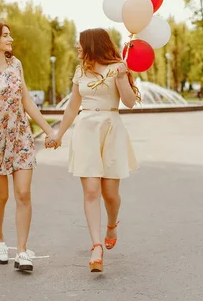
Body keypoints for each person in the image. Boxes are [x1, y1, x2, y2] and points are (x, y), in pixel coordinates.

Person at [0, 22, 57, 272]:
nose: (11, 39)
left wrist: (49, 131)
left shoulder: (16, 65)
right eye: (6, 35)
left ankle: (23, 251)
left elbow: (26, 100)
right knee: (1, 196)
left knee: (24, 194)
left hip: (20, 137)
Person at [46, 28, 139, 273]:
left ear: (92, 45)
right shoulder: (80, 72)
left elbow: (129, 102)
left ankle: (111, 224)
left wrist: (121, 79)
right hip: (86, 129)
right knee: (90, 192)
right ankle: (96, 246)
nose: (77, 47)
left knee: (110, 194)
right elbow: (71, 107)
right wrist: (59, 135)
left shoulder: (118, 67)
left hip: (111, 128)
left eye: (80, 43)